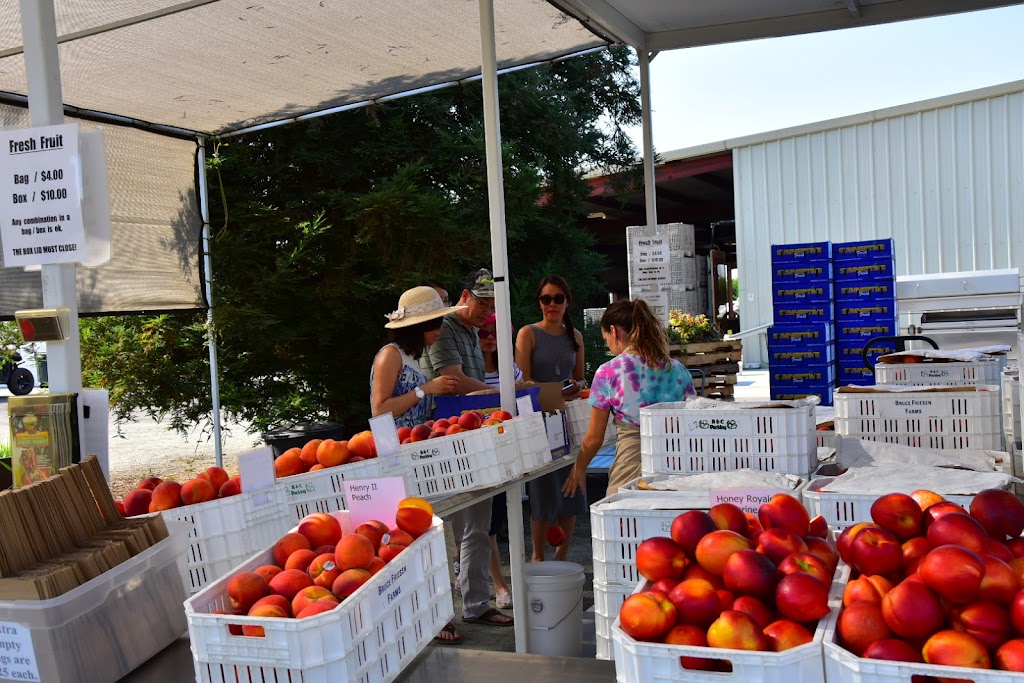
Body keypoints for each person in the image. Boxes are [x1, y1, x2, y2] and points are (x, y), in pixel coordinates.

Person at [422, 268, 514, 628]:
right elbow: (456, 381)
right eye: (481, 302)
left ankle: (476, 603)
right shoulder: (445, 330)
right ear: (465, 296)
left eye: (491, 306)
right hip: (445, 440)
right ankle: (443, 613)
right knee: (450, 527)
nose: (485, 311)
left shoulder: (473, 333)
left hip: (472, 435)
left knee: (478, 523)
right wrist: (501, 393)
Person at [562, 299, 696, 499]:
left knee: (624, 523)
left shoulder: (608, 372)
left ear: (614, 331)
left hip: (632, 465)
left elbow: (594, 438)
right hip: (676, 463)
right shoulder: (678, 370)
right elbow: (695, 420)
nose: (608, 344)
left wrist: (578, 469)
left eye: (606, 338)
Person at [515, 275, 586, 562]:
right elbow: (522, 381)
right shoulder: (528, 333)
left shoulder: (575, 336)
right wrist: (555, 390)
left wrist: (575, 387)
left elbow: (580, 379)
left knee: (572, 488)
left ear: (567, 302)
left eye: (558, 298)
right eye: (546, 299)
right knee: (542, 491)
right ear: (539, 302)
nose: (552, 304)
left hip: (568, 419)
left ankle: (562, 555)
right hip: (539, 419)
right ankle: (537, 556)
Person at [369, 286, 461, 428]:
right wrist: (425, 389)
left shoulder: (413, 357)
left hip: (414, 442)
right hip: (395, 446)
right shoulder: (390, 355)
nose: (440, 329)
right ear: (416, 327)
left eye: (440, 322)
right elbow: (380, 410)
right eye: (434, 324)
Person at [480, 314, 519, 608]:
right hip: (480, 452)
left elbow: (524, 386)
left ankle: (475, 573)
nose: (490, 337)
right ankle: (499, 584)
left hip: (507, 447)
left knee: (495, 519)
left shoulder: (509, 367)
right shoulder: (470, 368)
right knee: (488, 523)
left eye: (495, 332)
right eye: (484, 332)